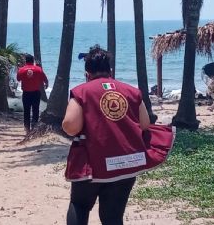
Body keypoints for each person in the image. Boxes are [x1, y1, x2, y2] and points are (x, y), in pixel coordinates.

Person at [62, 45, 150, 225]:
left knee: (80, 205)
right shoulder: (131, 91)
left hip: (93, 165)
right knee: (113, 217)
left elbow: (70, 126)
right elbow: (145, 123)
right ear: (110, 71)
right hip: (125, 163)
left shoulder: (81, 92)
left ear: (87, 73)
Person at [17, 54, 49, 133]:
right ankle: (34, 127)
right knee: (35, 110)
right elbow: (45, 79)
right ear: (33, 61)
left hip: (26, 93)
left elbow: (18, 79)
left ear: (25, 61)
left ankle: (27, 129)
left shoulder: (21, 69)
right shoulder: (38, 69)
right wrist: (46, 84)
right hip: (36, 93)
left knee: (26, 111)